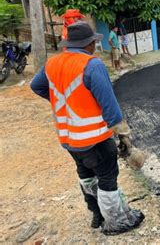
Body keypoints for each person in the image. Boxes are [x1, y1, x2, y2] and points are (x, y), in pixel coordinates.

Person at [30, 22, 145, 235]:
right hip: (95, 139)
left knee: (85, 174)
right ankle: (116, 221)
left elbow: (36, 86)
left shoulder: (52, 64)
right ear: (90, 44)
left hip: (69, 139)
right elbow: (110, 107)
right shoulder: (92, 65)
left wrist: (61, 103)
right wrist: (124, 136)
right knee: (107, 177)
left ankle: (96, 214)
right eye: (94, 42)